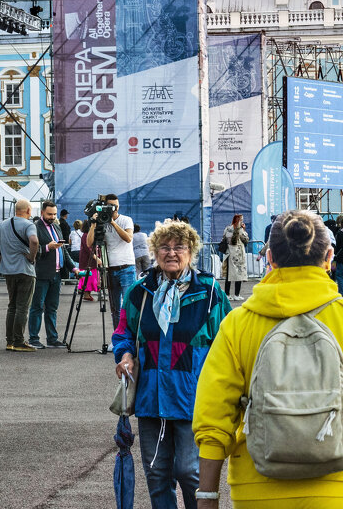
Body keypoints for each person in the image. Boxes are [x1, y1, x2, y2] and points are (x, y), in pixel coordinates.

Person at [194, 211, 343, 508]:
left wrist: (207, 497)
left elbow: (213, 418)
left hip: (255, 486)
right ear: (329, 257)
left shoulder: (238, 323)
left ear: (270, 258)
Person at [112, 220, 229, 509]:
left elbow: (229, 341)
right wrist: (124, 354)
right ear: (154, 251)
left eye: (180, 247)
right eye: (165, 247)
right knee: (156, 473)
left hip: (193, 397)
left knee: (190, 472)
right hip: (151, 397)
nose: (172, 253)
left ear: (191, 252)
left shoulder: (211, 292)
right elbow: (122, 332)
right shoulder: (139, 292)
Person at [0, 199, 39, 352]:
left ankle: (9, 341)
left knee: (12, 306)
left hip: (8, 270)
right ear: (29, 211)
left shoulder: (3, 224)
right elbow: (34, 240)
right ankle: (19, 341)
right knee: (23, 307)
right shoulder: (29, 225)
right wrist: (32, 256)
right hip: (24, 270)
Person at [29, 200, 74, 349]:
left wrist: (73, 268)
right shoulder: (35, 228)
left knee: (52, 307)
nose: (53, 217)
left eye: (54, 214)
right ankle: (34, 338)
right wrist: (48, 247)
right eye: (50, 214)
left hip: (57, 274)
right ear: (42, 213)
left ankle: (52, 338)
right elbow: (33, 250)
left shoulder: (56, 226)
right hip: (42, 273)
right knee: (37, 306)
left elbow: (63, 250)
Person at [85, 194, 134, 317]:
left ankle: (129, 335)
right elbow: (89, 243)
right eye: (111, 206)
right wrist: (93, 224)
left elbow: (128, 238)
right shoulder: (101, 222)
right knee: (115, 309)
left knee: (129, 306)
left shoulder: (126, 220)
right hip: (110, 269)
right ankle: (117, 335)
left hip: (126, 267)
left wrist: (112, 222)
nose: (114, 209)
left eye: (116, 206)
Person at [220, 213, 249, 302]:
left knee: (229, 276)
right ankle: (236, 294)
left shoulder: (228, 228)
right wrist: (244, 229)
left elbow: (223, 238)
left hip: (229, 254)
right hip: (238, 255)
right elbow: (246, 239)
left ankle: (227, 294)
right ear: (240, 221)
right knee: (239, 275)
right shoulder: (240, 230)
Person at [78, 223, 103, 301]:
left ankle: (87, 293)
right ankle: (86, 293)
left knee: (91, 277)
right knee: (89, 277)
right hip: (88, 261)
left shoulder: (87, 235)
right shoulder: (86, 235)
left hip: (90, 260)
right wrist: (97, 258)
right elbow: (88, 249)